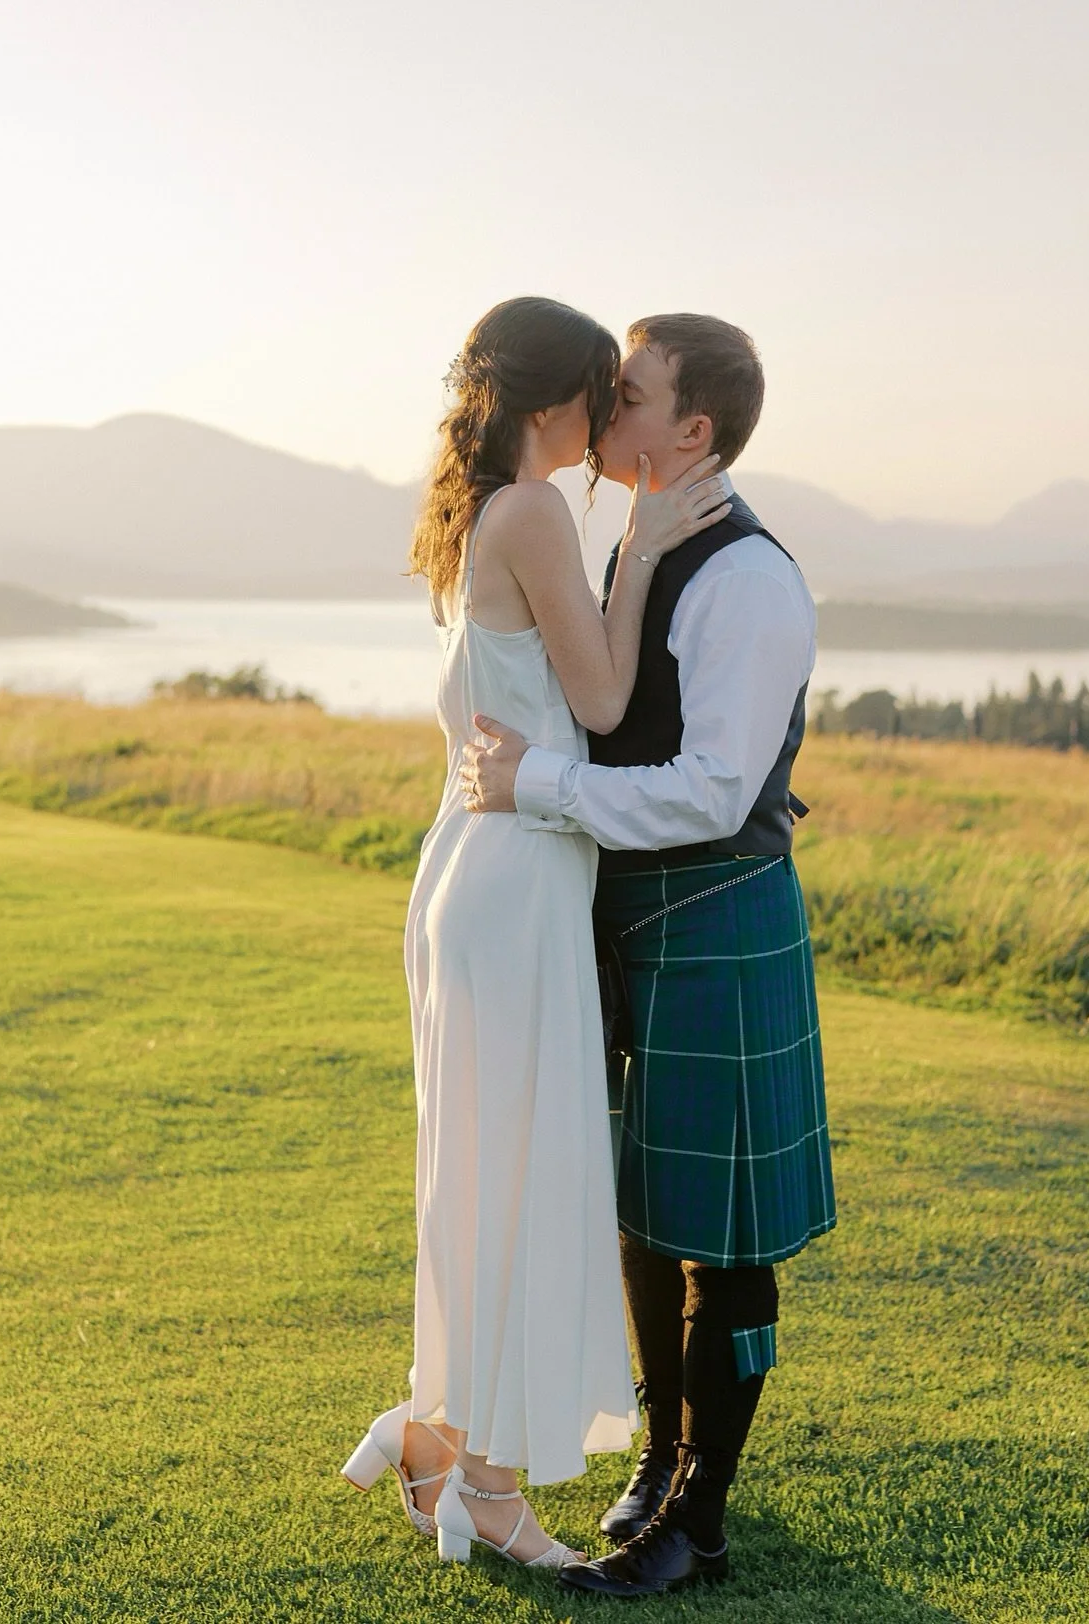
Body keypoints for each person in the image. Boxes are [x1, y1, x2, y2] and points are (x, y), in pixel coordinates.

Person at [341, 296, 730, 1570]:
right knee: (518, 1173)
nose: (613, 418)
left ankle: (440, 1439)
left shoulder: (467, 510)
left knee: (475, 1167)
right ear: (559, 403)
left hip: (471, 866)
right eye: (605, 395)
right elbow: (606, 697)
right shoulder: (537, 512)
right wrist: (646, 542)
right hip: (518, 877)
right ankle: (491, 1487)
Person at [462, 312, 837, 1598]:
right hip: (629, 920)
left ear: (691, 430)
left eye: (628, 395)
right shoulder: (639, 536)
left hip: (719, 916)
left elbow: (714, 790)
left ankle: (704, 1517)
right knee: (641, 1213)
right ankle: (659, 1459)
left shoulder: (748, 578)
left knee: (723, 1240)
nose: (602, 410)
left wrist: (544, 785)